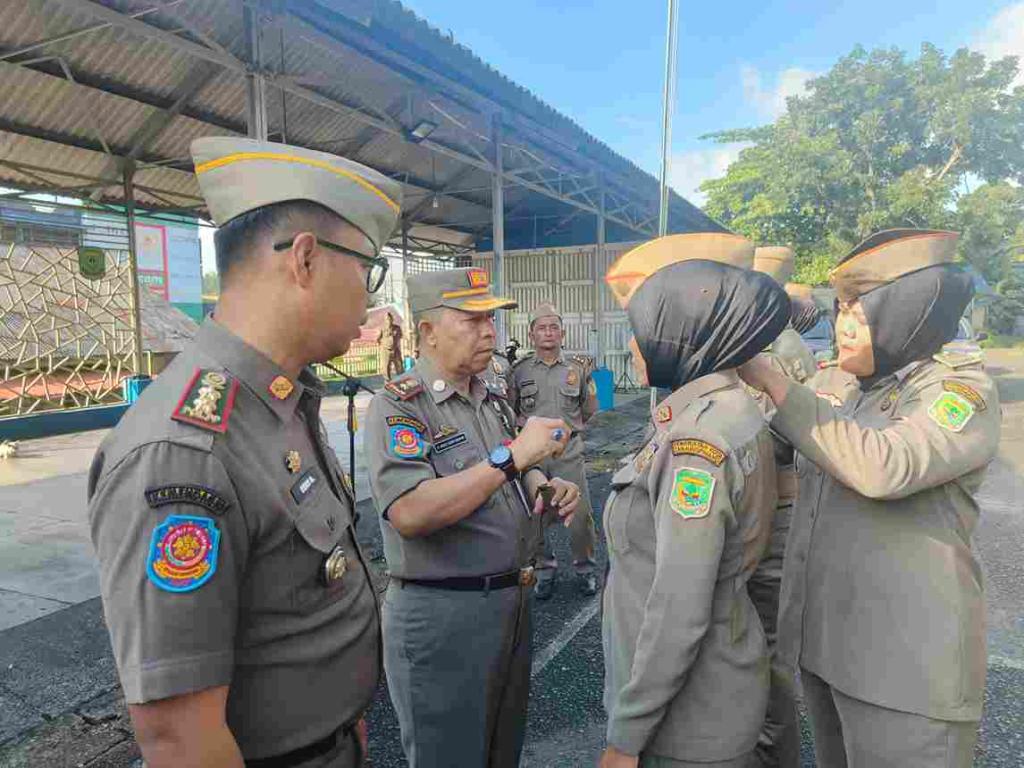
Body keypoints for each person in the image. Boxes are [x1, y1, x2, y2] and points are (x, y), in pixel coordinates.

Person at [87, 137, 400, 767]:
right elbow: (179, 738)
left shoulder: (277, 402)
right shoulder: (185, 451)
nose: (371, 301)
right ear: (305, 259)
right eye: (368, 271)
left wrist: (342, 723)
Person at [738, 229, 1000, 768]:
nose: (842, 328)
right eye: (841, 312)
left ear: (906, 315)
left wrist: (772, 380)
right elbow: (787, 446)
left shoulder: (958, 392)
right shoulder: (848, 386)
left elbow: (884, 467)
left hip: (906, 670)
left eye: (859, 315)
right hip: (830, 648)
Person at [364, 267, 581, 768]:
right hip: (445, 618)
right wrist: (513, 458)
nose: (489, 332)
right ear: (427, 331)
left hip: (509, 606)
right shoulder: (400, 406)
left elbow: (511, 469)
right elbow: (410, 510)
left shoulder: (490, 397)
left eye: (491, 320)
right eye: (473, 320)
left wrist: (543, 487)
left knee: (501, 752)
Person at [599, 232, 790, 768]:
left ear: (684, 328)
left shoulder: (697, 443)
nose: (631, 346)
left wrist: (625, 736)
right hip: (718, 691)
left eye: (641, 328)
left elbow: (679, 609)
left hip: (687, 722)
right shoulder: (726, 408)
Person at [746, 246, 817, 767]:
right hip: (751, 508)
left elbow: (798, 437)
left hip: (775, 512)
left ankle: (775, 755)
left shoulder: (783, 350)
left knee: (770, 655)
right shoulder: (753, 343)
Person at [507, 303, 600, 598]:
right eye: (541, 328)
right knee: (535, 516)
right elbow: (511, 410)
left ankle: (585, 569)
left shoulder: (577, 369)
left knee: (580, 517)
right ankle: (544, 570)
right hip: (532, 457)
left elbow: (589, 408)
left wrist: (569, 433)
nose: (548, 333)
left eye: (554, 328)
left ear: (563, 334)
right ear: (531, 335)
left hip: (567, 454)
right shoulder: (518, 371)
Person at [379, 311, 404, 379]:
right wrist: (384, 345)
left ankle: (401, 379)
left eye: (390, 319)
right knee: (386, 367)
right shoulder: (382, 329)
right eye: (387, 319)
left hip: (395, 349)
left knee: (399, 365)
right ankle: (387, 381)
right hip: (386, 350)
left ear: (392, 319)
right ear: (385, 320)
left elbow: (400, 336)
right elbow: (378, 339)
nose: (389, 320)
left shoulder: (397, 328)